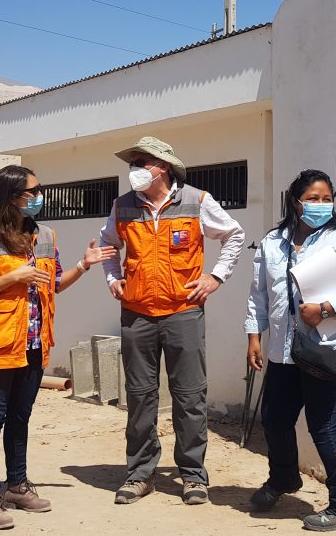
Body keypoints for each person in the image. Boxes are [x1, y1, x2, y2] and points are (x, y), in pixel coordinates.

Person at [0, 165, 116, 530]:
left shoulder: (45, 235)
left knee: (21, 416)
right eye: (29, 193)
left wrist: (84, 265)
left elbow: (54, 283)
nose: (36, 198)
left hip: (33, 343)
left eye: (37, 191)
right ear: (8, 196)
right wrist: (14, 276)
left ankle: (17, 484)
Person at [99, 136, 245, 506]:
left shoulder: (196, 201)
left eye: (141, 162)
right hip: (137, 315)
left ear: (163, 166)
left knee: (189, 396)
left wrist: (216, 276)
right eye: (132, 163)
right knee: (140, 396)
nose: (134, 169)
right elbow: (107, 246)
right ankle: (140, 474)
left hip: (183, 312)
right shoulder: (122, 206)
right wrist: (113, 278)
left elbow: (234, 235)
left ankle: (193, 476)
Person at [244, 169, 336, 532]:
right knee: (275, 420)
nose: (321, 205)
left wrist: (326, 310)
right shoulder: (273, 242)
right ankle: (284, 479)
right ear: (295, 201)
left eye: (326, 198)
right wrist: (254, 336)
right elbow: (259, 294)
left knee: (326, 429)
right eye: (313, 198)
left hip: (323, 351)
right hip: (282, 353)